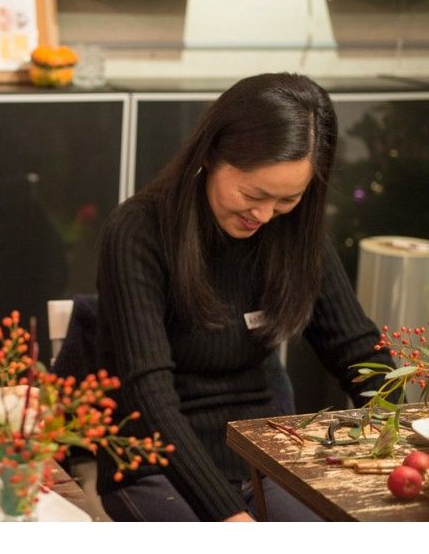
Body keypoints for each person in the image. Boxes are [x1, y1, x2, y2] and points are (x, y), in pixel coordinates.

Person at [94, 73, 394, 522]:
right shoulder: (139, 231)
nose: (264, 215)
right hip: (155, 463)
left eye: (287, 199)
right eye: (253, 194)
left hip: (269, 458)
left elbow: (354, 349)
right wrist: (229, 515)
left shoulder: (294, 233)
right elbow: (149, 393)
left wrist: (399, 432)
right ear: (212, 154)